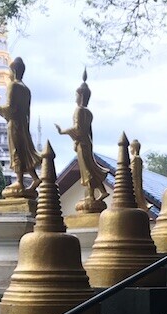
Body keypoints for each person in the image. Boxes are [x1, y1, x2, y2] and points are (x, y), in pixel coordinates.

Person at [0, 57, 41, 194]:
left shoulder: (13, 85)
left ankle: (20, 182)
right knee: (24, 151)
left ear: (13, 71)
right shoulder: (26, 89)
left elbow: (9, 107)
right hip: (23, 123)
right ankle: (34, 178)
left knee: (16, 152)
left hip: (14, 123)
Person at [55, 69, 110, 211]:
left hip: (82, 143)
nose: (75, 98)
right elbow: (88, 132)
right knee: (89, 167)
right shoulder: (88, 112)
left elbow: (78, 129)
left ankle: (92, 195)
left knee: (87, 170)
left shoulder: (79, 110)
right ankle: (102, 191)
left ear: (81, 96)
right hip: (87, 143)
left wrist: (63, 131)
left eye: (76, 95)